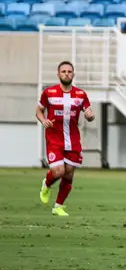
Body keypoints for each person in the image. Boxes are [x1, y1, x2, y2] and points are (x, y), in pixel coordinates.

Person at [37, 61, 95, 216]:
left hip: (73, 140)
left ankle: (58, 206)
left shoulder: (81, 94)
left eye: (69, 71)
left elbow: (89, 112)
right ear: (58, 74)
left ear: (73, 74)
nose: (66, 74)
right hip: (54, 139)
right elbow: (39, 110)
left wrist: (90, 116)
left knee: (68, 174)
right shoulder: (49, 92)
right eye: (63, 71)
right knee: (58, 172)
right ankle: (46, 183)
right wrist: (44, 121)